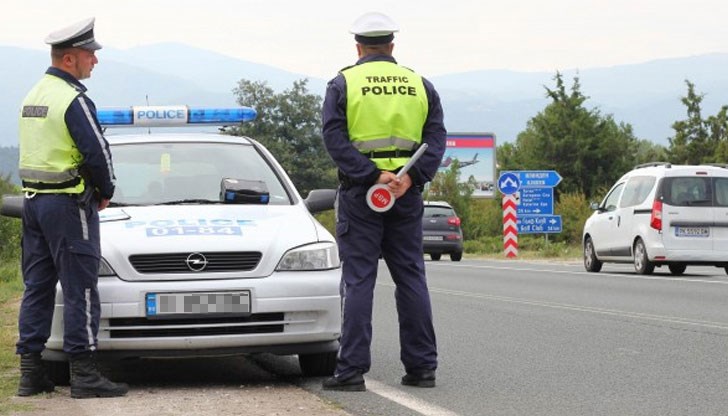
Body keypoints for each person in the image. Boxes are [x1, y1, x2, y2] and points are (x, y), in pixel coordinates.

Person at [321, 12, 446, 391]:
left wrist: (372, 175)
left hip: (362, 195)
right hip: (405, 196)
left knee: (359, 280)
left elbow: (334, 139)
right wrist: (411, 177)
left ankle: (352, 371)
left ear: (358, 46)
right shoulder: (419, 84)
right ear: (392, 45)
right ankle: (422, 369)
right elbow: (436, 137)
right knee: (411, 277)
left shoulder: (343, 83)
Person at [16, 17, 128, 399]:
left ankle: (31, 374)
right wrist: (107, 188)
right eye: (89, 56)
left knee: (38, 288)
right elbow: (97, 151)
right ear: (69, 60)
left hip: (33, 205)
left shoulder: (34, 94)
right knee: (80, 287)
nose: (94, 62)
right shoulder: (72, 98)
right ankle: (84, 375)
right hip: (67, 205)